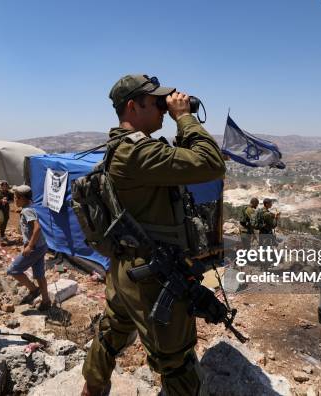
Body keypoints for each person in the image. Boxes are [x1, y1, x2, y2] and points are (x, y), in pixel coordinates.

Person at [81, 75, 225, 396]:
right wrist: (184, 117)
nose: (163, 108)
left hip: (126, 268)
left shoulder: (126, 147)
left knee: (113, 330)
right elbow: (211, 163)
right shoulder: (136, 153)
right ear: (133, 106)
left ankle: (92, 389)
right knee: (176, 360)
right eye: (156, 103)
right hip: (152, 277)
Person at [6, 185, 51, 311]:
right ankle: (46, 301)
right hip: (41, 246)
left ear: (23, 198)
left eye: (16, 197)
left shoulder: (27, 210)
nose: (14, 200)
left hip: (35, 248)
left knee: (13, 270)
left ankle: (33, 289)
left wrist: (29, 246)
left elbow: (37, 227)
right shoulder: (28, 209)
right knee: (39, 275)